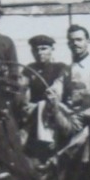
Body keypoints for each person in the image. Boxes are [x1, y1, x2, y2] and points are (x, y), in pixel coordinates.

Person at [20, 34, 70, 162]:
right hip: (33, 113)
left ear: (52, 49)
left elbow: (57, 90)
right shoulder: (29, 69)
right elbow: (24, 90)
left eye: (43, 48)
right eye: (36, 50)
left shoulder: (60, 67)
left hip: (55, 110)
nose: (39, 52)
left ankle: (46, 141)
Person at [62, 24, 90, 109]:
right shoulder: (67, 69)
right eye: (71, 41)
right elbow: (58, 87)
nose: (75, 43)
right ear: (68, 44)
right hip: (70, 112)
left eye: (79, 40)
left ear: (88, 41)